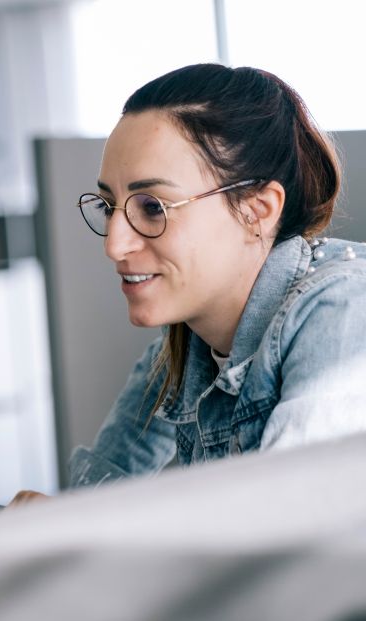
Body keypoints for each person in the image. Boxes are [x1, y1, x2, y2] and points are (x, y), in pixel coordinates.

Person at [21, 63, 366, 501]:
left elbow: (284, 538)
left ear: (258, 210)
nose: (114, 245)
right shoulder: (187, 344)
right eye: (109, 206)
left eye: (152, 207)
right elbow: (97, 497)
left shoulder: (344, 311)